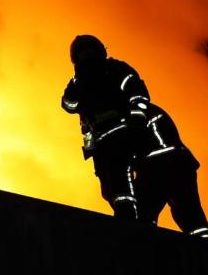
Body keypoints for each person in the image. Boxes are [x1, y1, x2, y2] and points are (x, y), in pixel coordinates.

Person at [61, 35, 149, 220]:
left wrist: (137, 123)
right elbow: (68, 105)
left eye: (89, 51)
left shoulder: (116, 69)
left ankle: (129, 217)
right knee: (107, 187)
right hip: (99, 141)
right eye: (82, 53)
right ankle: (127, 213)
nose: (86, 55)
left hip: (121, 132)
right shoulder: (78, 81)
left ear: (100, 51)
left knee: (120, 178)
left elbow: (138, 94)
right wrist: (75, 83)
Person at [133, 102, 208, 237]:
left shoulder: (126, 113)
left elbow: (123, 152)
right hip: (181, 163)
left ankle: (142, 249)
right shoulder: (144, 108)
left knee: (140, 214)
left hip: (159, 166)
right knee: (191, 216)